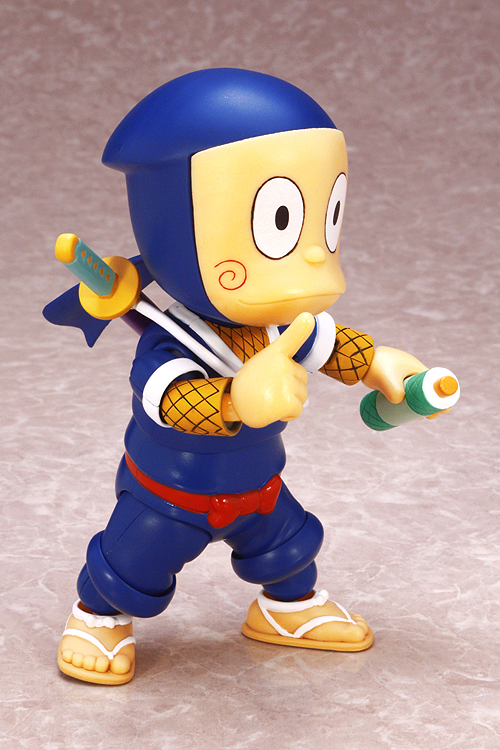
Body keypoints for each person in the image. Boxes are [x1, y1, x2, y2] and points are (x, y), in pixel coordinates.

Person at [53, 69, 427, 684]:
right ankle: (97, 617)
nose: (314, 254)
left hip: (259, 486)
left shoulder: (277, 323)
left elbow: (327, 343)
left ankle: (287, 608)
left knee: (290, 548)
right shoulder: (174, 339)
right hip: (169, 494)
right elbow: (171, 400)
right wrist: (234, 400)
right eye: (280, 221)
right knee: (128, 565)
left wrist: (376, 361)